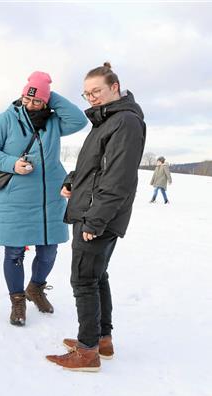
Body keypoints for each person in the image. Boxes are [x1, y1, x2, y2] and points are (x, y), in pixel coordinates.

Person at [47, 62, 146, 371]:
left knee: (84, 279)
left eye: (97, 91)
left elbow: (118, 178)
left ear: (115, 87)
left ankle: (87, 351)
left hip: (98, 215)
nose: (91, 98)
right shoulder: (106, 121)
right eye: (87, 93)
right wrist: (72, 182)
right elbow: (93, 167)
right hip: (93, 209)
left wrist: (95, 219)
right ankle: (101, 340)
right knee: (97, 275)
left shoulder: (125, 122)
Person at [0, 71, 87, 326]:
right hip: (15, 198)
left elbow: (80, 120)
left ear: (46, 102)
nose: (30, 105)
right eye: (26, 99)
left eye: (37, 101)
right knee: (15, 252)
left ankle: (35, 288)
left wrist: (47, 92)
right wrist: (12, 164)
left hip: (50, 197)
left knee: (49, 250)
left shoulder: (54, 122)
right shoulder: (5, 119)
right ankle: (17, 300)